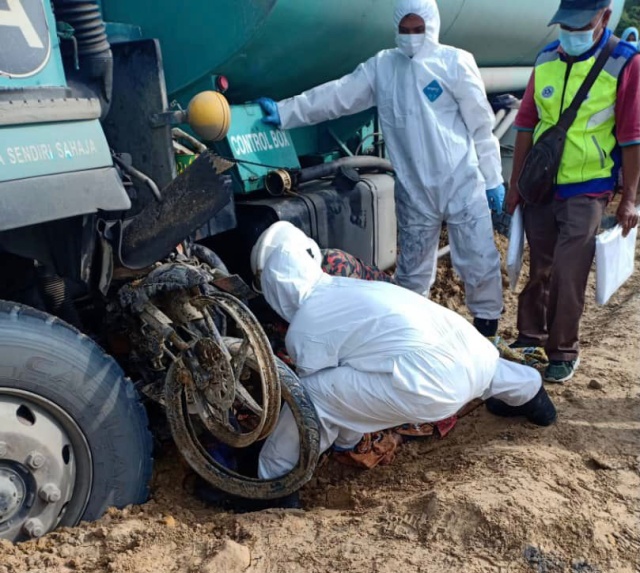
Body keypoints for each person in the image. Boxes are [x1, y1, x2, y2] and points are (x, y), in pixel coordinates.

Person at [256, 0, 505, 338]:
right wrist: (287, 113)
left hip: (461, 182)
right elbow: (337, 95)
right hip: (415, 190)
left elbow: (480, 126)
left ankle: (487, 330)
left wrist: (492, 179)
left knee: (478, 259)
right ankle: (413, 335)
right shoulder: (383, 68)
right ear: (396, 28)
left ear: (433, 25)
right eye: (405, 29)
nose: (412, 37)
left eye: (419, 29)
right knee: (412, 273)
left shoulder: (455, 63)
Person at [253, 225, 557, 482]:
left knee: (309, 394)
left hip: (436, 390)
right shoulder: (350, 286)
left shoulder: (305, 327)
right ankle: (533, 397)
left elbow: (323, 402)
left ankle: (275, 477)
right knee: (471, 360)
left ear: (271, 285)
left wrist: (345, 441)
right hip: (478, 356)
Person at [505, 0, 640, 383]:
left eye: (581, 25)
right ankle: (530, 336)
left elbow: (632, 137)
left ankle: (563, 350)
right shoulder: (546, 58)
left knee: (568, 271)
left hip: (589, 187)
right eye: (566, 24)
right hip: (542, 184)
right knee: (539, 267)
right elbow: (527, 123)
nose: (571, 33)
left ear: (606, 17)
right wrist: (516, 187)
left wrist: (630, 198)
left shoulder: (625, 62)